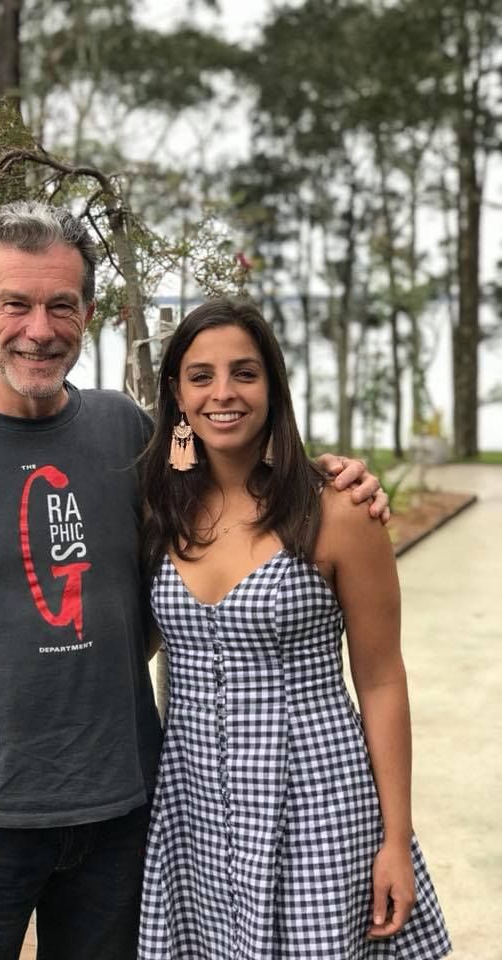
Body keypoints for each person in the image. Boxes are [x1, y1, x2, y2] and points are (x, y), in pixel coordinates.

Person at [0, 202, 389, 960]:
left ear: (87, 316)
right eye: (16, 304)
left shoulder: (128, 434)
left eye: (62, 305)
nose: (40, 329)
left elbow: (223, 475)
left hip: (124, 820)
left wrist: (329, 476)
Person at [138, 299, 451, 959]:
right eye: (201, 376)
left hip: (317, 803)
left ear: (274, 386)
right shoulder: (159, 509)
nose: (223, 393)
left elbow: (382, 680)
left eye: (245, 373)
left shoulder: (336, 511)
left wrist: (397, 840)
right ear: (177, 393)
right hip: (193, 811)